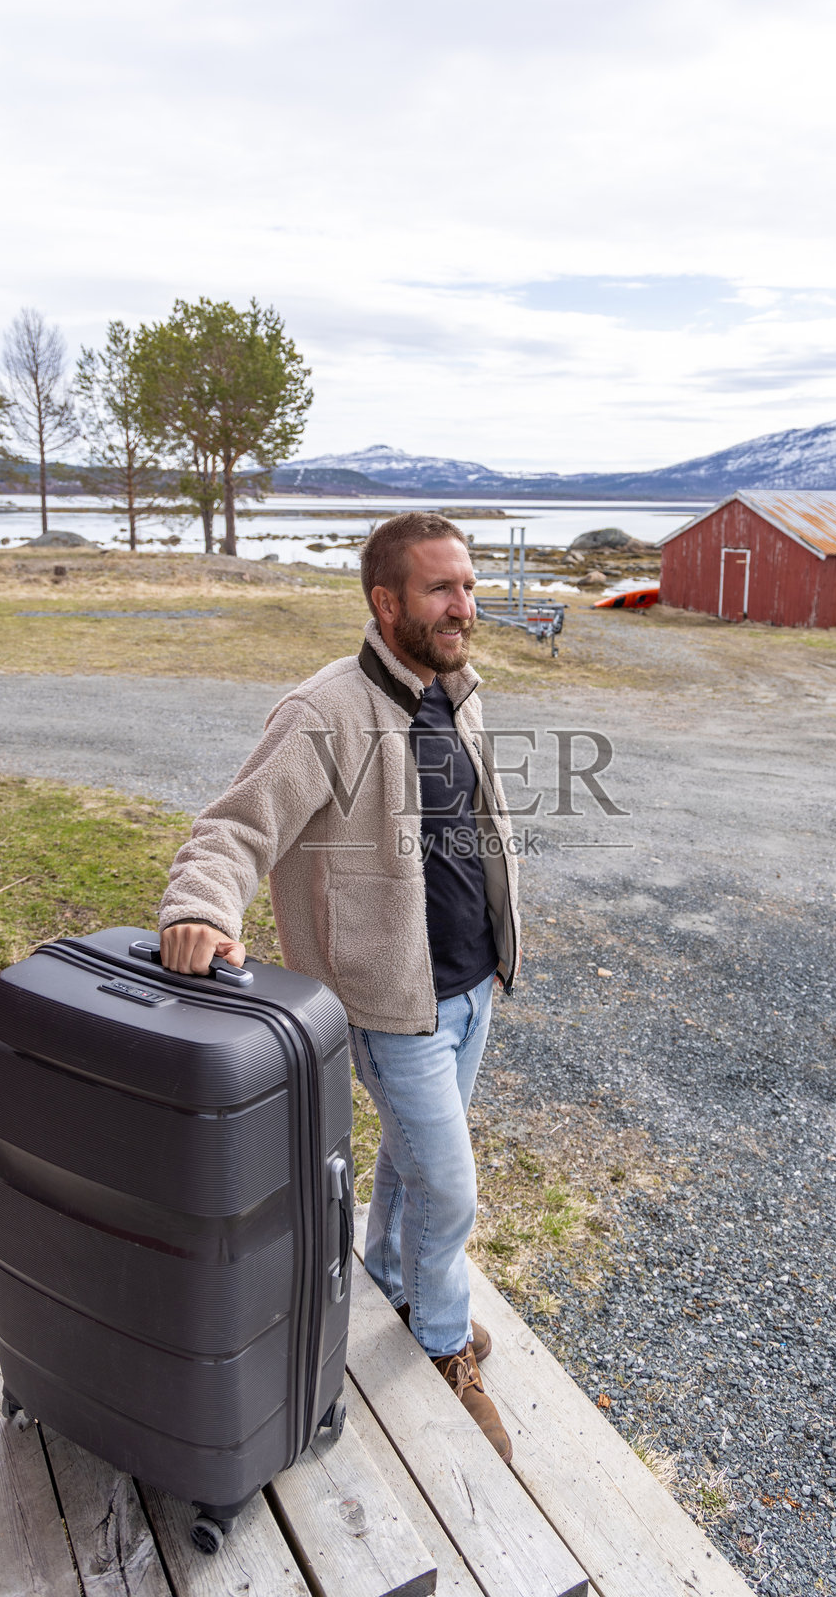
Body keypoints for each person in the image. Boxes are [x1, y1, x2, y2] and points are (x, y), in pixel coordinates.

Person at [158, 511, 520, 1461]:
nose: (463, 606)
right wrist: (199, 906)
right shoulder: (321, 712)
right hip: (389, 1001)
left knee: (407, 1163)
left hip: (470, 987)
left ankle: (394, 1285)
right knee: (449, 1186)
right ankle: (443, 1345)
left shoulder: (456, 691)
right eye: (442, 589)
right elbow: (234, 828)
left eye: (469, 586)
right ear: (385, 601)